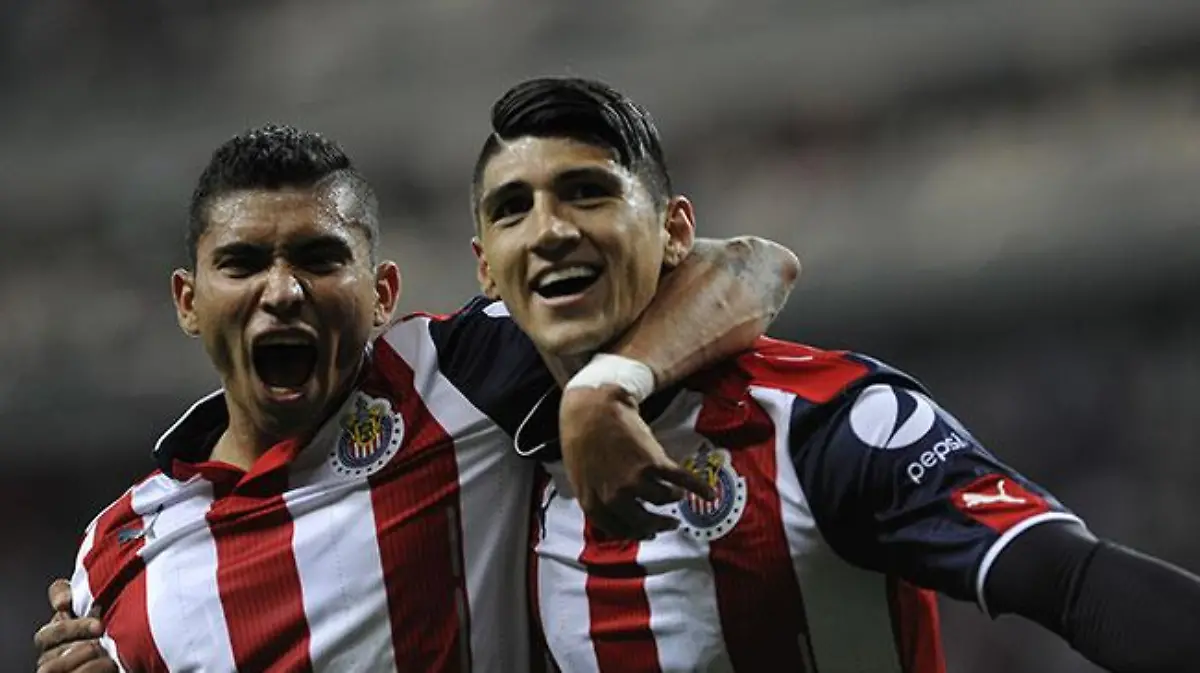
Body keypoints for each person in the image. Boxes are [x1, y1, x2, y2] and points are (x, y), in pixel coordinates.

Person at [463, 77, 1200, 672]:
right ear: (486, 268)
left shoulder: (824, 419)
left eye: (588, 192)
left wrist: (609, 384)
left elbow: (1072, 582)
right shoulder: (476, 397)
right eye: (512, 209)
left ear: (677, 231)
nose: (550, 230)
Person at [31, 123, 800, 672]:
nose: (284, 290)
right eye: (243, 263)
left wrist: (606, 387)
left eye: (320, 257)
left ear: (382, 294)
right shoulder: (117, 548)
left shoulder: (456, 373)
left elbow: (748, 269)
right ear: (188, 301)